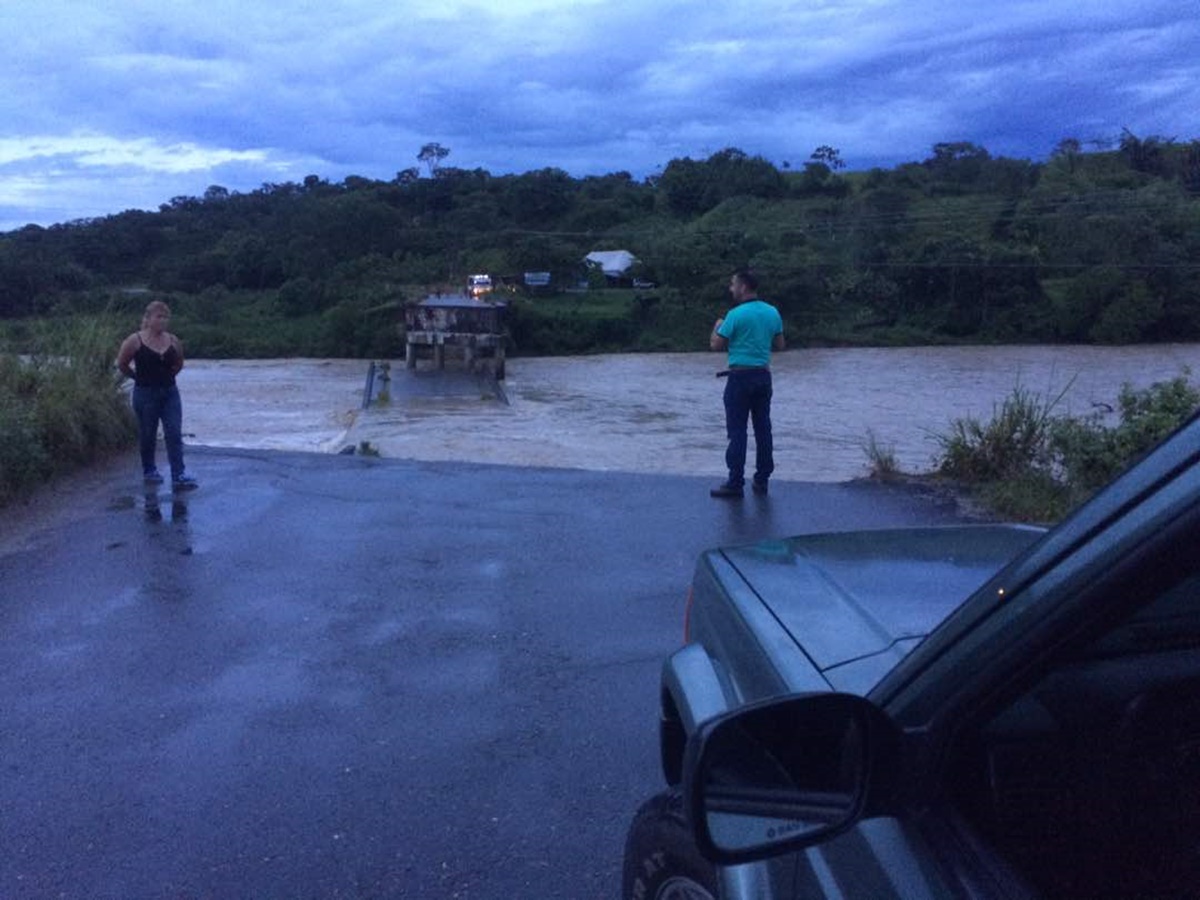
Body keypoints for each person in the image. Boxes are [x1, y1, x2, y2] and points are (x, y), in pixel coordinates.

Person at [709, 269, 784, 498]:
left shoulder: (735, 315)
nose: (731, 289)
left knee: (737, 431)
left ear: (743, 287)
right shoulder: (772, 312)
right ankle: (762, 480)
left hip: (739, 378)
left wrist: (717, 325)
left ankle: (735, 483)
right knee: (763, 430)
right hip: (763, 377)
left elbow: (716, 345)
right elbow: (780, 345)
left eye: (733, 285)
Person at [116, 300, 198, 491]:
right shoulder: (134, 340)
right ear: (148, 318)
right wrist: (137, 377)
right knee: (148, 433)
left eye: (165, 317)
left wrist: (168, 377)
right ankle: (149, 469)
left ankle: (179, 474)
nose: (162, 321)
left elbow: (179, 363)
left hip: (169, 392)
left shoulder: (173, 340)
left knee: (173, 432)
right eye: (158, 317)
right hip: (145, 393)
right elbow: (122, 364)